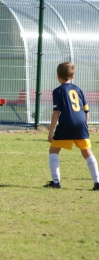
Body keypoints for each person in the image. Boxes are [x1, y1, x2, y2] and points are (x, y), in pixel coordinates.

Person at [44, 62, 99, 190]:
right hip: (81, 123)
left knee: (53, 150)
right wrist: (84, 125)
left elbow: (56, 112)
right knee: (87, 151)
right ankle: (97, 182)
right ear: (72, 76)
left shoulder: (58, 91)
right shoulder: (78, 89)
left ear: (58, 76)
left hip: (66, 123)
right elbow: (86, 110)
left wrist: (51, 131)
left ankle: (56, 182)